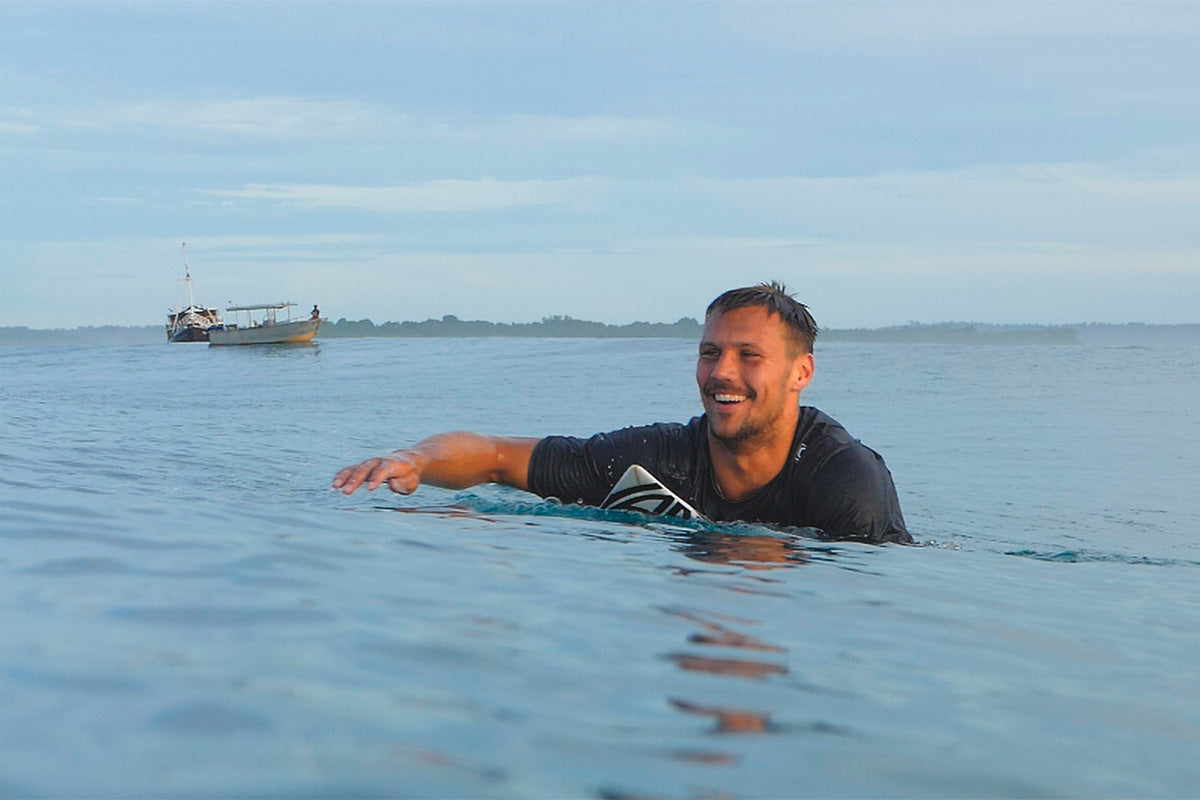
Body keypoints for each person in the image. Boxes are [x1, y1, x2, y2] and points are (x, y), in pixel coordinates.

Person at [332, 282, 910, 544]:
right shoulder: (659, 460)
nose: (721, 373)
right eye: (710, 352)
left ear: (800, 373)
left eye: (748, 356)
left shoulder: (846, 481)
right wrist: (412, 460)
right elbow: (498, 458)